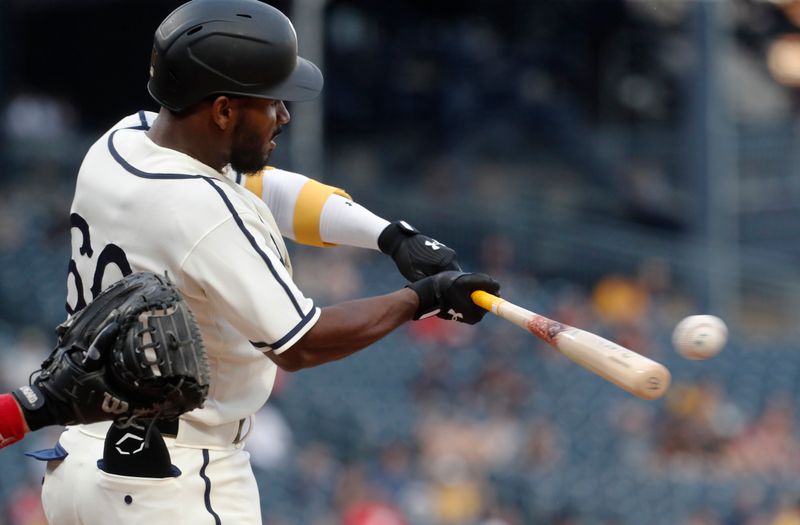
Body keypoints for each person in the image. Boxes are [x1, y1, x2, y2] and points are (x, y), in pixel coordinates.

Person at [31, 0, 500, 523]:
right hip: (173, 479)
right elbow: (302, 343)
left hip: (81, 464)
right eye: (272, 101)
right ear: (224, 110)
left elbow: (263, 187)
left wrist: (390, 237)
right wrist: (424, 299)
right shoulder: (206, 211)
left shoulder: (123, 142)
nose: (284, 114)